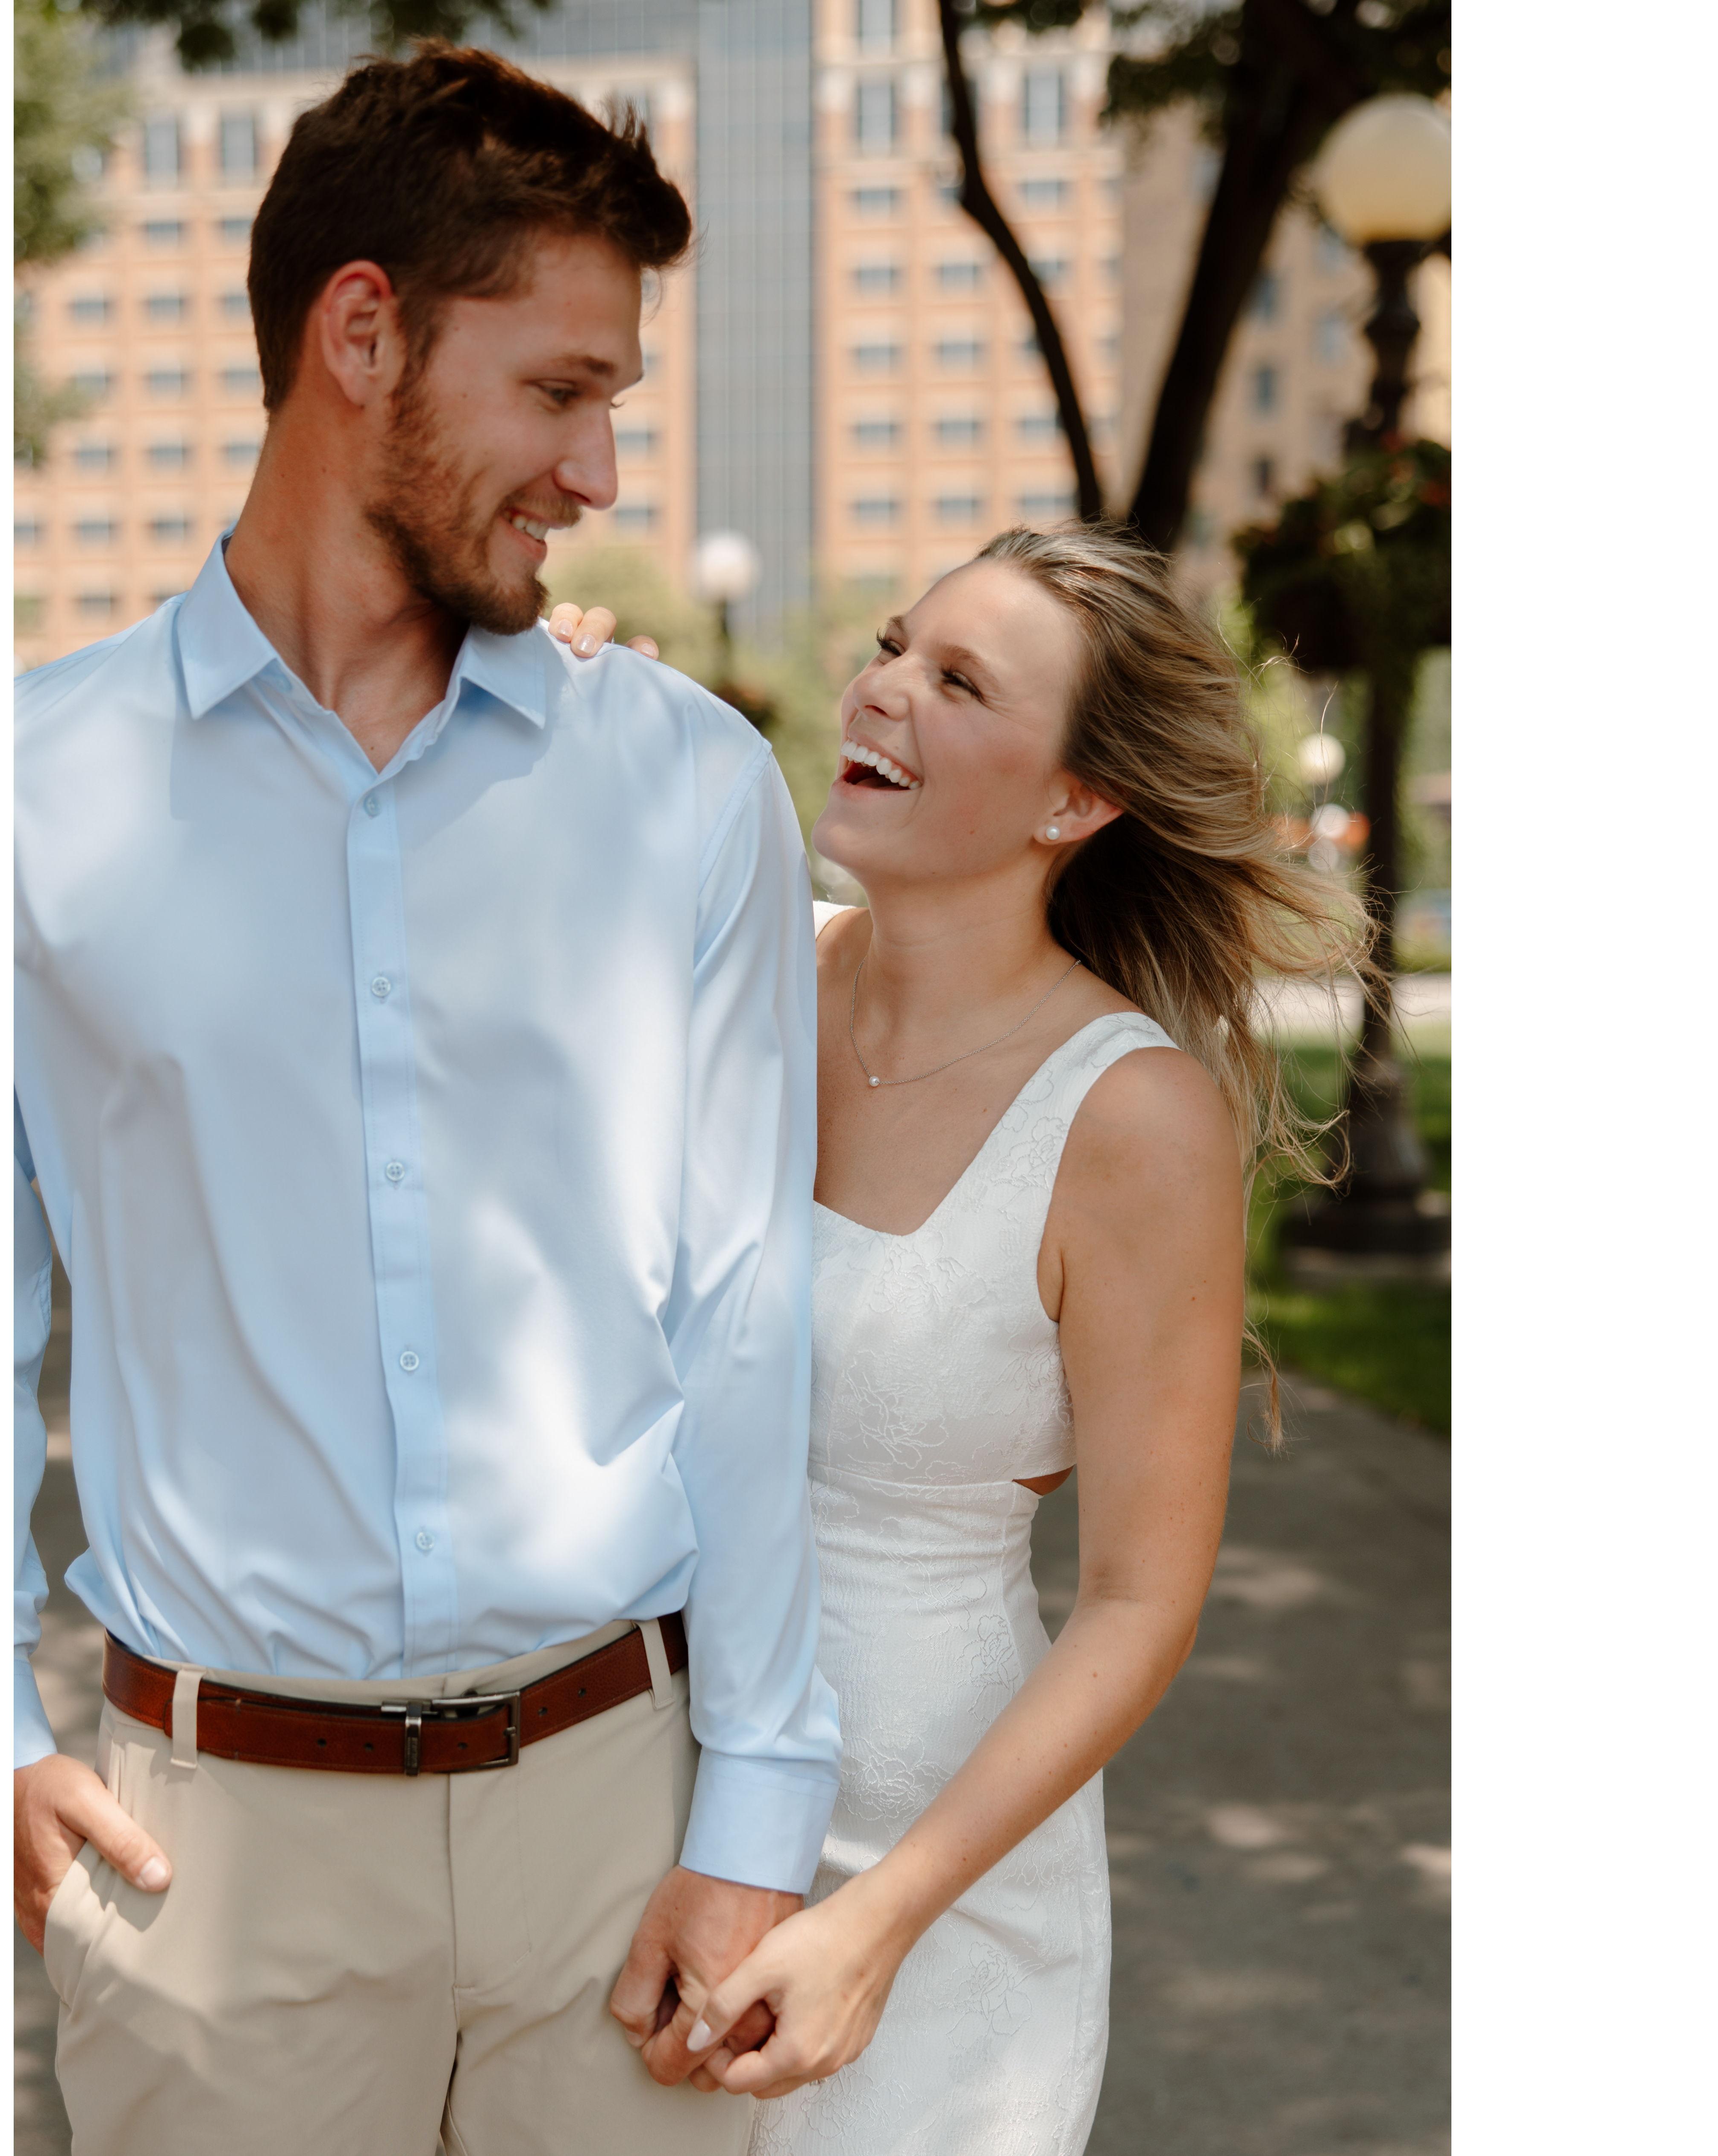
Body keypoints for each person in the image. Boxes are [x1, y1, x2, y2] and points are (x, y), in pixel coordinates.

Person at [13, 50, 839, 2156]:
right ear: (361, 333)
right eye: (557, 391)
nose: (597, 471)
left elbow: (744, 1317)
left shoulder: (683, 787)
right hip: (212, 1865)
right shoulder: (21, 797)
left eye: (613, 404)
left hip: (617, 1827)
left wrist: (755, 1803)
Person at [565, 524, 1360, 2150]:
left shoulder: (1130, 1119)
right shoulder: (736, 968)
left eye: (961, 682)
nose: (883, 691)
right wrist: (540, 735)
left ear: (1076, 802)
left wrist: (880, 1924)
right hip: (616, 1811)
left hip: (923, 1882)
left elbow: (1138, 1603)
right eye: (892, 647)